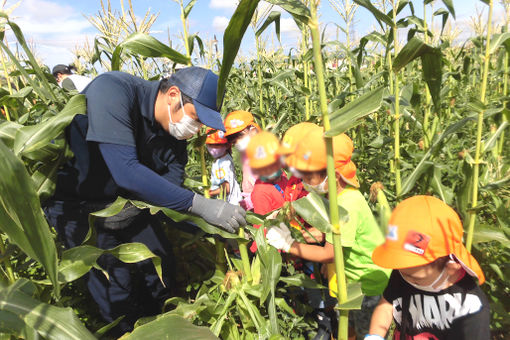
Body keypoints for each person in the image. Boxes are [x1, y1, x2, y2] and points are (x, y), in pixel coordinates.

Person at [44, 67, 246, 337]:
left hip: (129, 205)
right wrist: (203, 207)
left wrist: (214, 229)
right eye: (196, 119)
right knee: (116, 291)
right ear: (173, 95)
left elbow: (170, 187)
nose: (196, 129)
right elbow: (126, 171)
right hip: (80, 208)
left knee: (160, 271)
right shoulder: (113, 91)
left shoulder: (173, 134)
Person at [267, 128, 390, 340]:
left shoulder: (348, 204)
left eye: (308, 175)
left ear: (334, 174)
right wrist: (299, 236)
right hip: (353, 283)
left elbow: (330, 253)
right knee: (345, 329)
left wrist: (289, 245)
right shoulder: (340, 197)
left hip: (368, 288)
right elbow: (331, 236)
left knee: (362, 332)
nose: (304, 180)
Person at [365, 195, 490, 340]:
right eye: (401, 270)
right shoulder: (405, 270)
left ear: (452, 266)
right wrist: (375, 335)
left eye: (415, 278)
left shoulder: (469, 308)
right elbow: (386, 305)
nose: (405, 278)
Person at [223, 110, 261, 210]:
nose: (237, 143)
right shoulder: (247, 153)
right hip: (253, 203)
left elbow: (271, 188)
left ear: (253, 131)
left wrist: (246, 203)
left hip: (266, 206)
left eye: (239, 137)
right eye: (234, 141)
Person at [205, 128, 242, 205]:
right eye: (210, 145)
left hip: (229, 205)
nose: (213, 148)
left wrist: (210, 193)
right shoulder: (224, 158)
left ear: (227, 145)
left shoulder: (223, 163)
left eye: (217, 145)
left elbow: (226, 188)